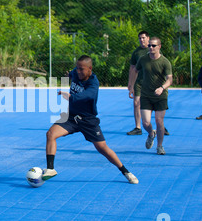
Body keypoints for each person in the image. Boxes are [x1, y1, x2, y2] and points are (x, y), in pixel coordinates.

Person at [42, 55, 138, 184]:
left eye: (81, 69)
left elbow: (86, 95)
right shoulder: (75, 73)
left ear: (90, 69)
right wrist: (68, 75)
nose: (78, 72)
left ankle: (125, 171)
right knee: (51, 134)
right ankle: (50, 169)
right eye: (77, 68)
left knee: (102, 148)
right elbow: (70, 74)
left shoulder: (93, 83)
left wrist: (70, 97)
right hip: (71, 118)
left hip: (88, 121)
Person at [131, 37, 173, 155]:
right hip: (146, 95)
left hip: (161, 96)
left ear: (159, 47)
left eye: (153, 45)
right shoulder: (143, 59)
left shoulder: (165, 62)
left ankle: (160, 146)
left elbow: (170, 80)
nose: (150, 47)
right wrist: (132, 86)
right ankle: (151, 134)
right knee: (145, 123)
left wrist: (162, 88)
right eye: (149, 45)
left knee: (159, 121)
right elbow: (135, 71)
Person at [127, 31, 150, 135]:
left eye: (143, 38)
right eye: (140, 38)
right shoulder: (136, 52)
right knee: (136, 103)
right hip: (139, 82)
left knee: (153, 104)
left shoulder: (153, 49)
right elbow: (132, 68)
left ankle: (159, 125)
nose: (142, 40)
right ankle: (138, 127)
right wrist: (130, 84)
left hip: (152, 82)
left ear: (148, 38)